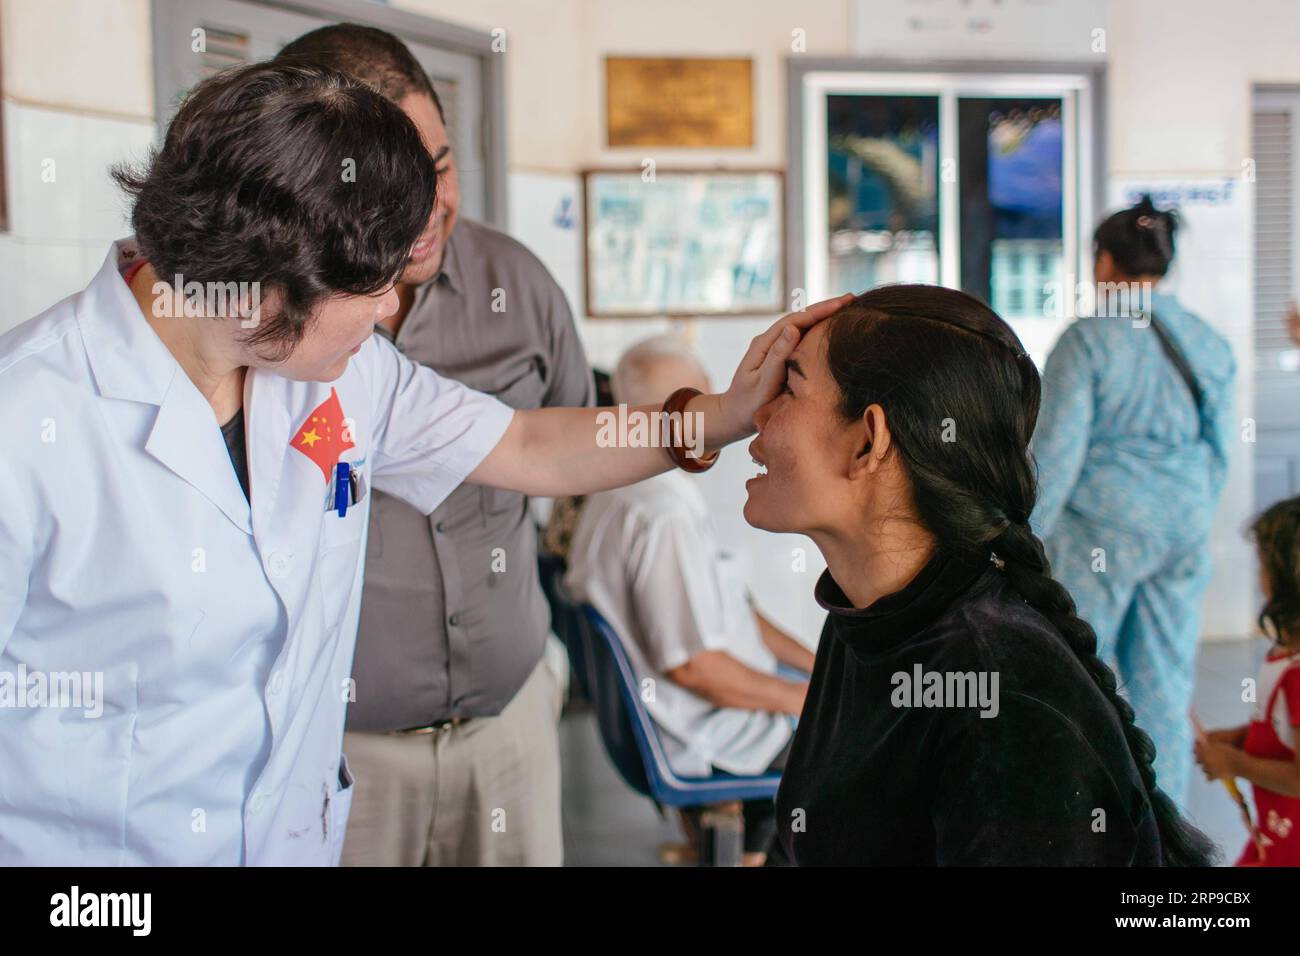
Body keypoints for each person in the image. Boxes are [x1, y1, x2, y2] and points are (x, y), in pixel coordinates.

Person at [0, 59, 846, 865]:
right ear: (262, 283)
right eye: (372, 290)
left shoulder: (337, 374)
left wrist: (723, 417)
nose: (389, 310)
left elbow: (525, 445)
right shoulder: (29, 423)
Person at [752, 284, 1216, 866]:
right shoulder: (870, 617)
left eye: (787, 389)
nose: (755, 417)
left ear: (868, 440)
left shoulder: (1004, 692)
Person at [276, 23, 593, 867]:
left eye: (441, 166)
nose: (428, 207)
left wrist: (698, 421)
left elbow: (554, 441)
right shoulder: (268, 330)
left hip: (509, 732)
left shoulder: (518, 285)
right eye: (393, 181)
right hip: (345, 754)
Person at [564, 336, 814, 866]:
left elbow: (735, 608)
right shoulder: (661, 513)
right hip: (704, 734)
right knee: (852, 747)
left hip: (689, 718)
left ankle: (743, 848)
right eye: (698, 401)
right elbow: (695, 668)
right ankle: (752, 849)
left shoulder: (617, 486)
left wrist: (818, 670)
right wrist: (807, 700)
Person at [1030, 195, 1236, 806]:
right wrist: (1193, 516)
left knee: (1081, 680)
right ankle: (1164, 830)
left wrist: (1022, 538)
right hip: (1183, 529)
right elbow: (1220, 449)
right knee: (1164, 685)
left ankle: (1085, 817)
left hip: (1100, 533)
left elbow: (1056, 453)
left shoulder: (1087, 341)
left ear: (1103, 263)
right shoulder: (1208, 340)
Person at [1195, 496, 1300, 866]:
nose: (1259, 578)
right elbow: (1284, 728)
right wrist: (1243, 738)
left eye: (1264, 567)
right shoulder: (1284, 656)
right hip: (1271, 839)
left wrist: (1236, 764)